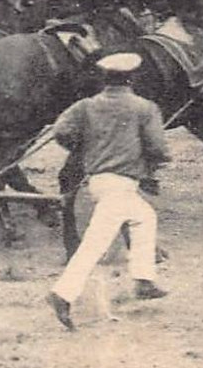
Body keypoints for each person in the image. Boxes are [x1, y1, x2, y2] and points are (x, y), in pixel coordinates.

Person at [46, 52, 170, 329]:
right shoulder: (144, 107)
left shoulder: (85, 106)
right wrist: (152, 160)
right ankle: (62, 294)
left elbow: (60, 131)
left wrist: (84, 149)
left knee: (144, 217)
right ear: (132, 78)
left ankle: (143, 279)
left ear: (105, 79)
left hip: (99, 182)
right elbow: (159, 149)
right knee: (95, 244)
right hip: (121, 184)